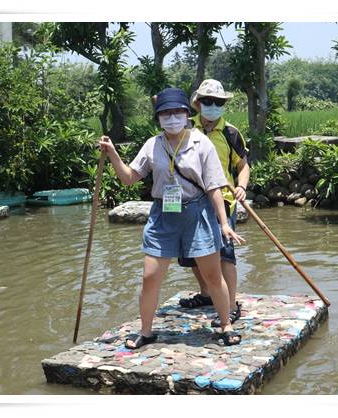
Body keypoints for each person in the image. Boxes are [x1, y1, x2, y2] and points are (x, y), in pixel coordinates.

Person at [97, 87, 244, 349]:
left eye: (177, 112)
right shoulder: (153, 145)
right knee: (150, 276)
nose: (172, 117)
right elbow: (130, 178)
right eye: (166, 113)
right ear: (158, 118)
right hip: (164, 214)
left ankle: (226, 325)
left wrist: (223, 223)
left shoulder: (201, 143)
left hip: (198, 213)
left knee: (212, 276)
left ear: (187, 114)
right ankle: (146, 331)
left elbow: (213, 187)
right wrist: (112, 155)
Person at [178, 79, 250, 328]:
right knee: (191, 254)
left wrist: (241, 186)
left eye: (218, 102)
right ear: (197, 104)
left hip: (224, 201)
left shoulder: (230, 133)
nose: (212, 106)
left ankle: (231, 305)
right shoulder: (184, 129)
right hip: (189, 201)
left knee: (225, 255)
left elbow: (243, 166)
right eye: (207, 101)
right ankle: (207, 293)